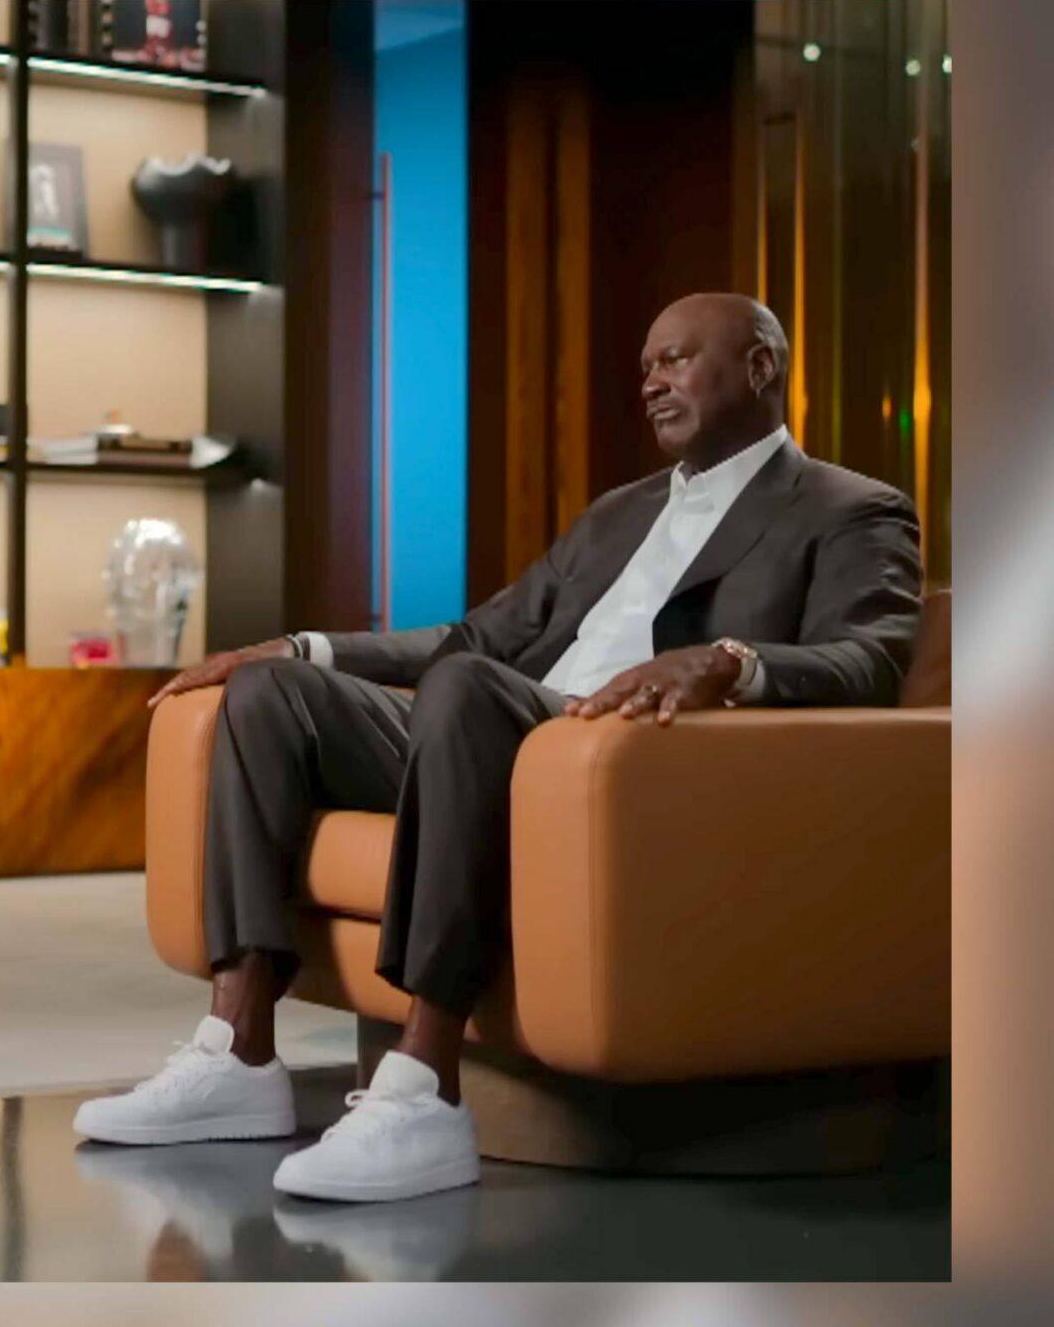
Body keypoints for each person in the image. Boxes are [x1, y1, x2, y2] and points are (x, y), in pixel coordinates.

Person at [76, 292, 922, 1202]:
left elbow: (869, 659)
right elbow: (475, 638)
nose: (651, 382)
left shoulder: (850, 508)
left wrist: (730, 661)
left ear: (760, 366)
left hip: (626, 762)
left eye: (677, 359)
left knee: (468, 692)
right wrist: (301, 647)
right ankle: (239, 1053)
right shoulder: (619, 513)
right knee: (271, 695)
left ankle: (423, 1089)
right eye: (646, 366)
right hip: (491, 729)